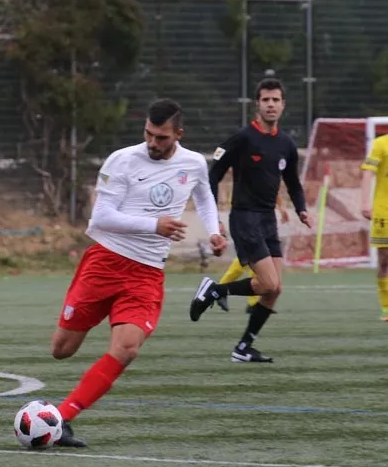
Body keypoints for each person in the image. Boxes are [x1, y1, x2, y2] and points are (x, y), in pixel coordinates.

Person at [50, 98, 226, 447]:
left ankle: (63, 417)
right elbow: (101, 218)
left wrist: (214, 231)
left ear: (178, 134)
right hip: (105, 263)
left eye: (162, 137)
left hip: (146, 273)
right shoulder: (122, 160)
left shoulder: (193, 163)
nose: (152, 143)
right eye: (148, 134)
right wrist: (154, 225)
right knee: (61, 349)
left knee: (127, 348)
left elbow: (204, 198)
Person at [189, 78, 310, 363]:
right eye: (266, 100)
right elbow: (213, 174)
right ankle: (215, 291)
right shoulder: (242, 138)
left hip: (268, 220)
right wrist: (214, 219)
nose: (271, 105)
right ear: (257, 104)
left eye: (275, 100)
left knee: (275, 289)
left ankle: (243, 347)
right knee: (267, 283)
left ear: (283, 105)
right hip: (244, 218)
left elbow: (293, 183)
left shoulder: (286, 144)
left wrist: (301, 209)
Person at [215, 191, 289, 314]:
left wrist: (281, 207)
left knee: (259, 260)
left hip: (262, 218)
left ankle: (250, 301)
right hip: (247, 217)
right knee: (255, 258)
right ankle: (220, 290)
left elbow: (273, 188)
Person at [360, 132, 388, 320]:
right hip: (384, 212)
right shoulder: (381, 143)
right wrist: (365, 203)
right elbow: (368, 173)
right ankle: (386, 306)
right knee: (385, 260)